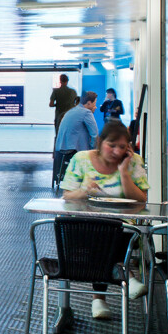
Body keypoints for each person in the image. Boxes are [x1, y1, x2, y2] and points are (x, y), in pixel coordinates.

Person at [59, 120, 150, 319]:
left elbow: (141, 200)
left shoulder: (134, 161)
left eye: (122, 147)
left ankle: (98, 299)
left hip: (121, 226)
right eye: (111, 145)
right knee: (99, 233)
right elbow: (67, 195)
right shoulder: (81, 159)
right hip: (85, 225)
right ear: (100, 142)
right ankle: (126, 275)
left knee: (112, 232)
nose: (116, 151)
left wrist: (124, 172)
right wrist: (84, 190)